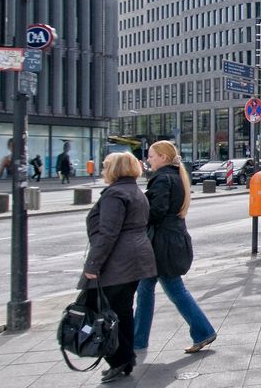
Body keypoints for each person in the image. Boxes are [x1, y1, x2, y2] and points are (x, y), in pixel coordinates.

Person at [79, 152, 156, 383]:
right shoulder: (134, 191)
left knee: (101, 310)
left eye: (105, 166)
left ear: (114, 169)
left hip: (118, 262)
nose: (103, 170)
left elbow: (108, 233)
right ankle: (125, 358)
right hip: (136, 258)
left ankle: (119, 358)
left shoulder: (115, 194)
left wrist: (93, 264)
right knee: (122, 310)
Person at [134, 141, 217, 355]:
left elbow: (156, 211)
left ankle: (203, 331)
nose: (148, 160)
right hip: (170, 240)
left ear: (163, 157)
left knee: (172, 289)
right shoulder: (176, 176)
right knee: (146, 288)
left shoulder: (162, 179)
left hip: (161, 243)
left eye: (151, 156)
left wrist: (137, 214)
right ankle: (138, 339)